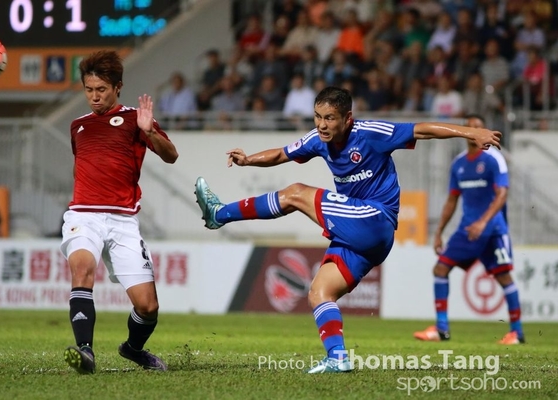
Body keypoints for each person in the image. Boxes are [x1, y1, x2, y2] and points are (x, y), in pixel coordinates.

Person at [193, 87, 501, 373]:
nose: (322, 124)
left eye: (329, 118)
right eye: (318, 116)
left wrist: (471, 132)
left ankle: (220, 214)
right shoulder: (318, 139)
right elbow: (282, 153)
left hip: (376, 219)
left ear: (347, 118)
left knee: (296, 194)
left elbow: (421, 129)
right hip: (362, 236)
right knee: (319, 293)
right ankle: (337, 357)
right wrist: (248, 160)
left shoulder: (370, 133)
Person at [61, 50, 179, 374]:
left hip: (123, 220)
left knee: (148, 306)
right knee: (82, 269)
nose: (94, 96)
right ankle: (85, 351)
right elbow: (80, 166)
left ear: (117, 87)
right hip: (83, 215)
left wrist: (149, 131)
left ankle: (133, 349)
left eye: (101, 89)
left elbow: (171, 156)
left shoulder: (134, 120)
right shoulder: (78, 126)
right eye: (89, 90)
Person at [414, 114, 524, 345]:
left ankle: (516, 333)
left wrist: (483, 222)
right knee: (441, 269)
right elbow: (452, 200)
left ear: (485, 131)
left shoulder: (494, 159)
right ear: (465, 131)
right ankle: (442, 329)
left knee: (502, 277)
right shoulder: (459, 164)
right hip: (468, 229)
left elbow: (502, 194)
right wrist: (439, 231)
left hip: (491, 229)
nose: (474, 131)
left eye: (478, 127)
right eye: (470, 127)